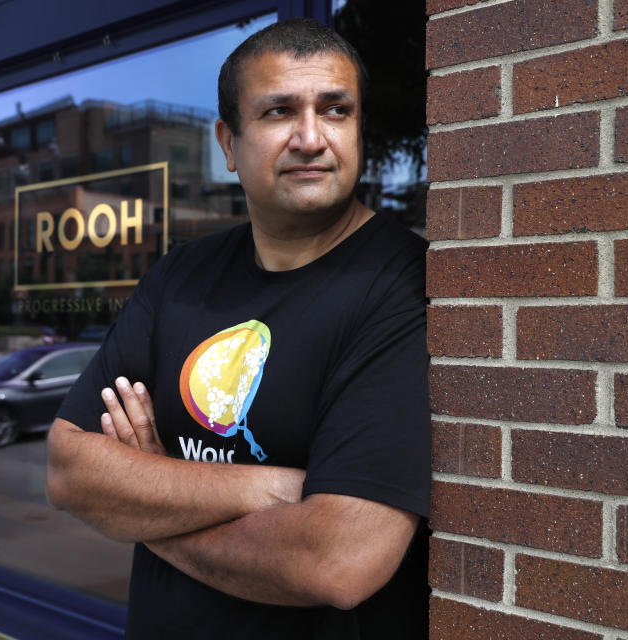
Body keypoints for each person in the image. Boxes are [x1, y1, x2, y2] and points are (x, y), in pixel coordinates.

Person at [46, 18, 429, 639]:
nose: (311, 137)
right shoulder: (180, 276)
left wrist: (148, 497)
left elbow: (338, 560)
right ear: (228, 144)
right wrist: (275, 488)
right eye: (280, 112)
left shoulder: (403, 286)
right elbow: (70, 469)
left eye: (335, 110)